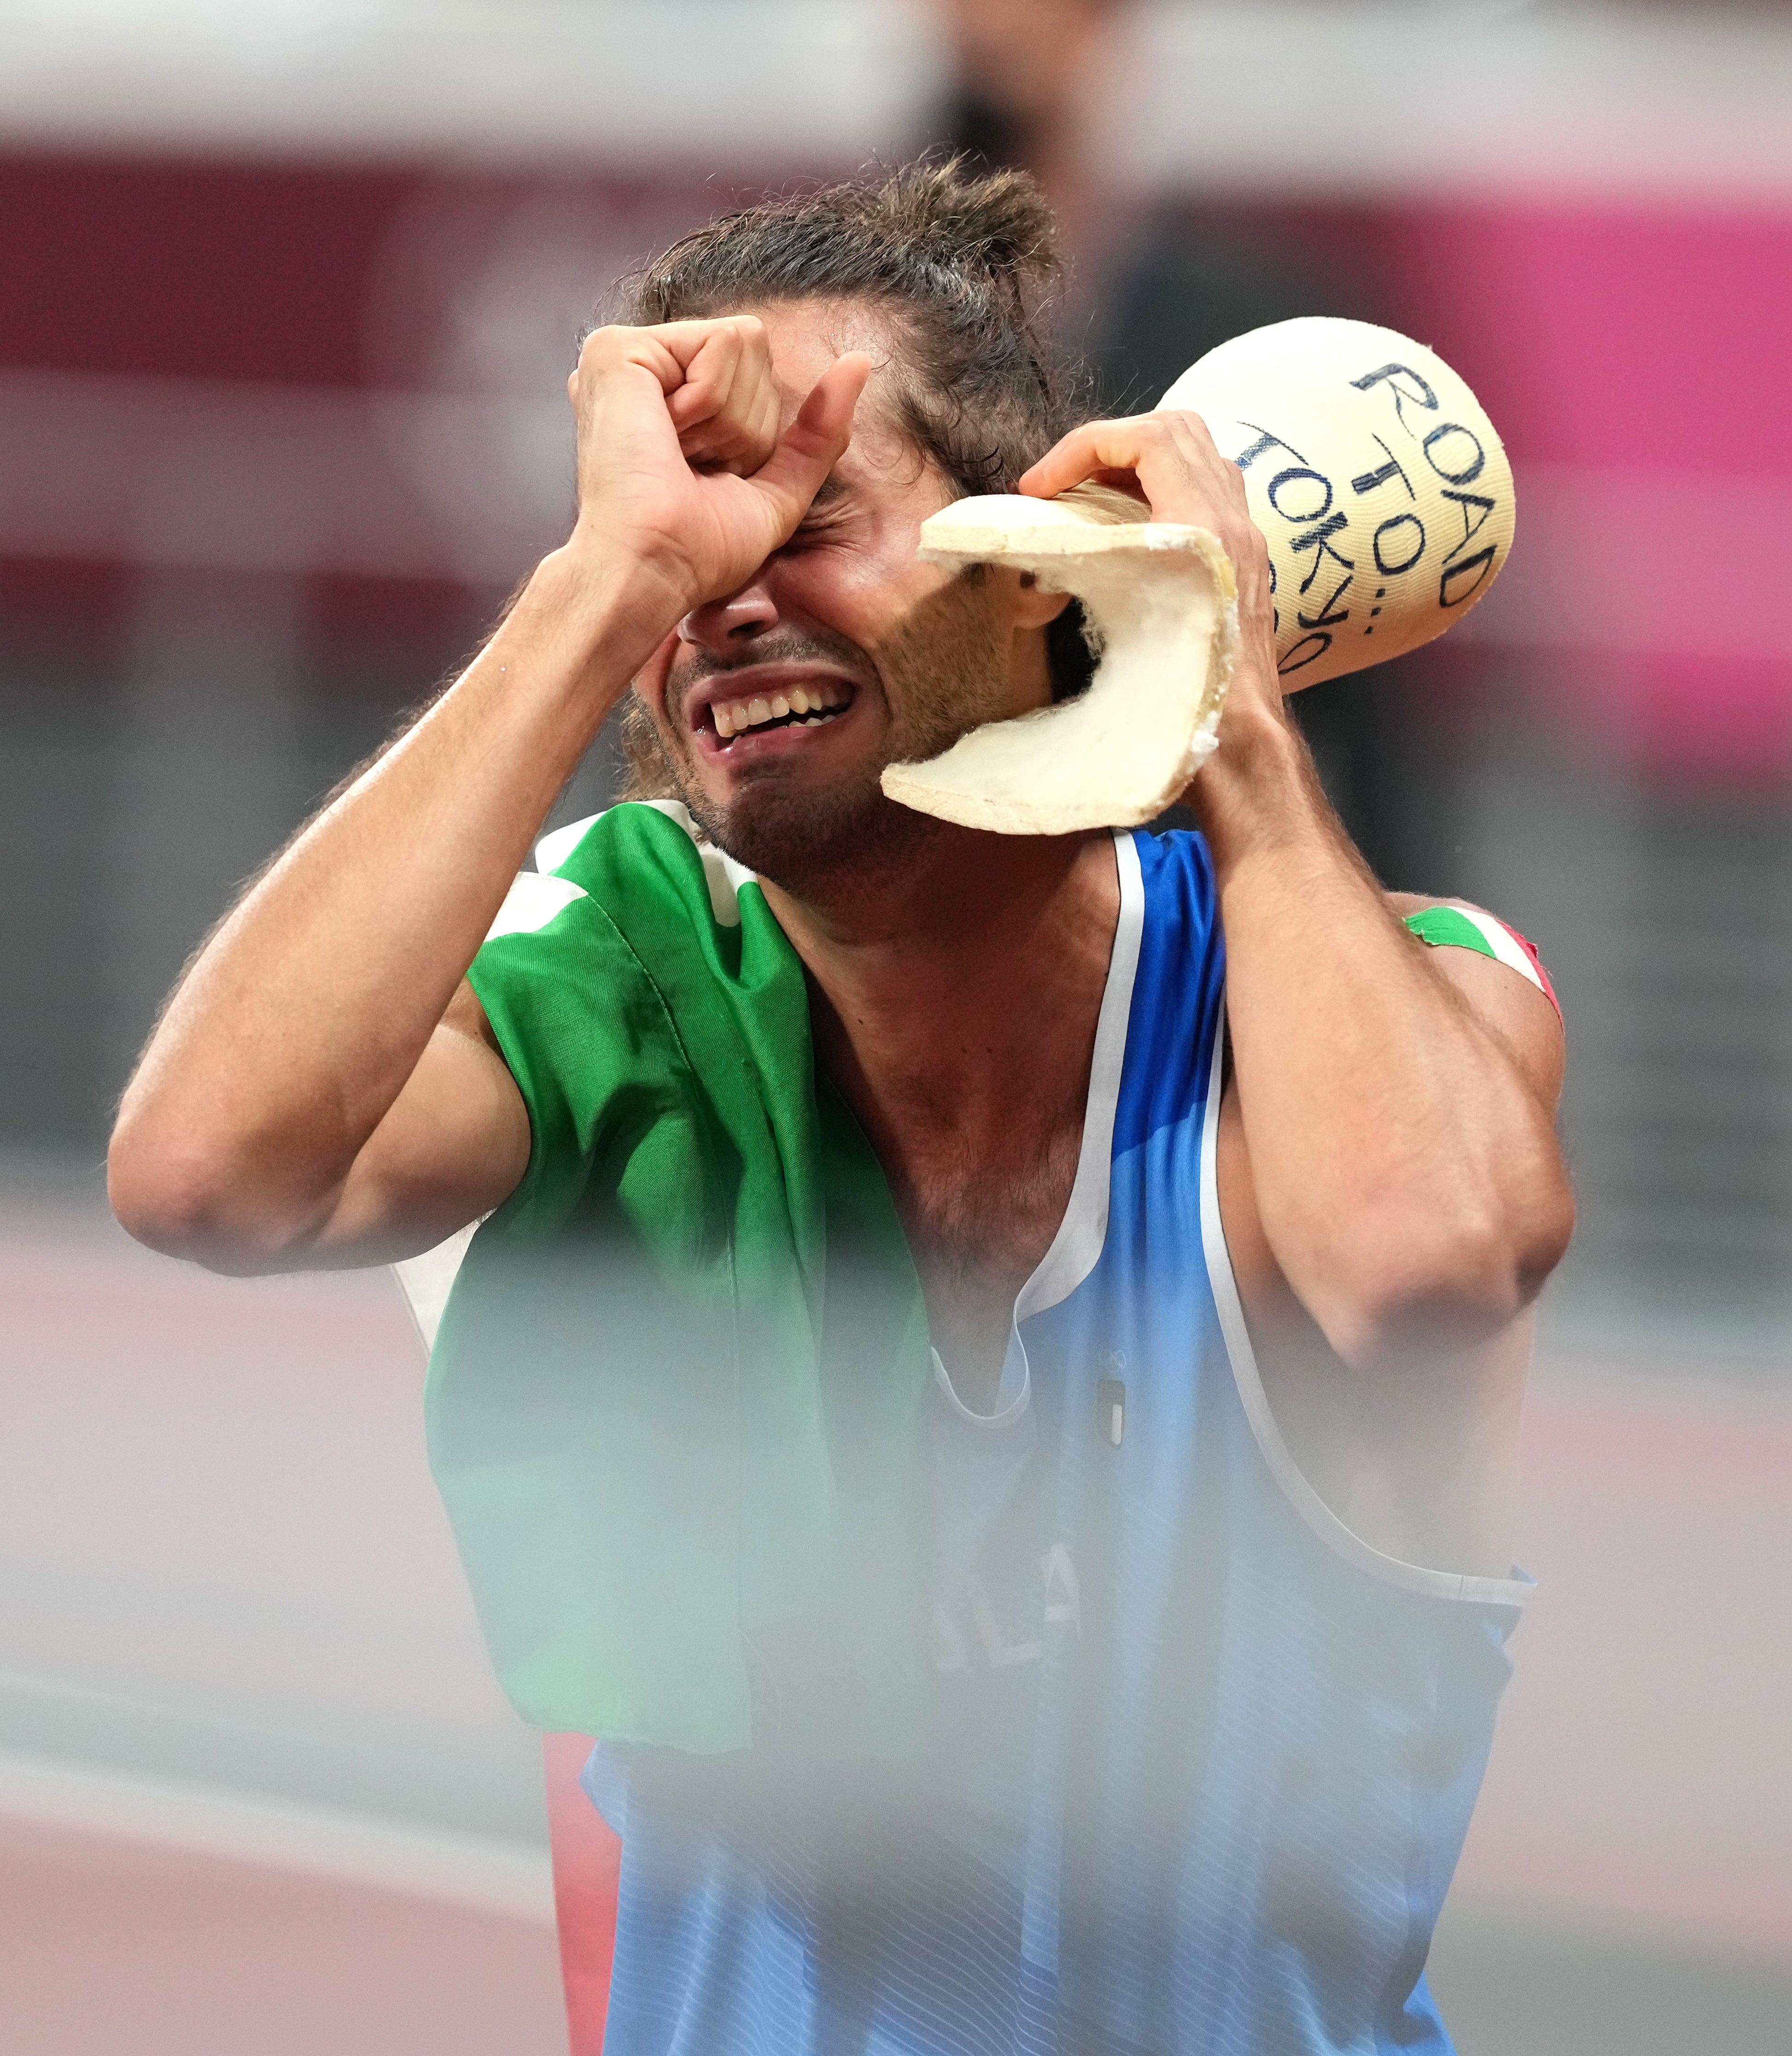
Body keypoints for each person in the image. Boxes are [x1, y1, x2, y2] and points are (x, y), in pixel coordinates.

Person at [109, 165, 1571, 2056]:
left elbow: (1422, 1271)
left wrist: (1229, 719)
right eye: (677, 545)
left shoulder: (1380, 997)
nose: (724, 593)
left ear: (1031, 559)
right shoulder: (629, 987)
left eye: (807, 514)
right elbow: (207, 1176)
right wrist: (593, 587)